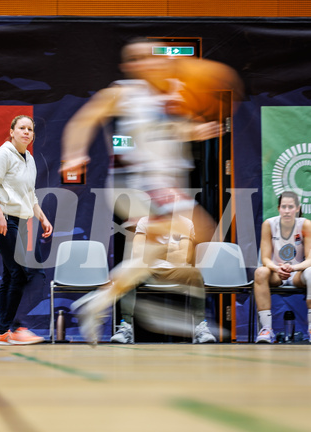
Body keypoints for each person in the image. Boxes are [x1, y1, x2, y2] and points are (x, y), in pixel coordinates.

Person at [61, 38, 224, 344]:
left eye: (151, 56)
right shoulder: (123, 92)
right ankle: (152, 309)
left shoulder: (176, 93)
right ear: (129, 67)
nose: (147, 63)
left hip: (162, 186)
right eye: (137, 59)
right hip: (136, 183)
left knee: (155, 253)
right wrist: (73, 154)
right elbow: (83, 121)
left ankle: (96, 303)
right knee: (202, 231)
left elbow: (172, 129)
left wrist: (195, 131)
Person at [0, 115, 53, 345]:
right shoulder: (2, 154)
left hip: (23, 222)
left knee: (11, 275)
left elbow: (30, 194)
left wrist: (42, 218)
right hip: (4, 222)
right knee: (22, 273)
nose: (26, 132)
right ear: (12, 131)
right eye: (21, 128)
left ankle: (3, 332)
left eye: (30, 129)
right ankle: (14, 328)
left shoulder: (29, 158)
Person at [111, 214, 215, 344]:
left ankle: (201, 328)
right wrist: (170, 249)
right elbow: (138, 253)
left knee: (195, 274)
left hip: (176, 271)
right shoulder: (145, 221)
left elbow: (183, 257)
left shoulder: (185, 223)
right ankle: (126, 328)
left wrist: (154, 252)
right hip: (148, 270)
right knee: (128, 273)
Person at [254, 191, 311, 343]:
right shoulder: (269, 224)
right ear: (278, 208)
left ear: (297, 209)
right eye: (284, 207)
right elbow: (265, 258)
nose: (287, 211)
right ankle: (266, 329)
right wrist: (277, 268)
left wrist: (293, 268)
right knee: (260, 272)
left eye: (290, 207)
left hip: (297, 272)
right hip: (276, 272)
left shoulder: (305, 224)